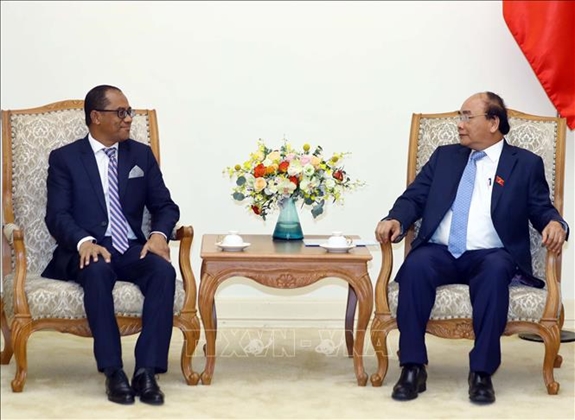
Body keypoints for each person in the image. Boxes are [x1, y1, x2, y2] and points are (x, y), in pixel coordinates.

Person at [375, 92, 569, 404]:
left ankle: (481, 372)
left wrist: (556, 224)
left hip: (490, 254)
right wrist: (395, 218)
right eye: (460, 116)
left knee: (494, 273)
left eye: (467, 116)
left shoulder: (524, 164)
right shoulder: (444, 156)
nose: (460, 124)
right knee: (415, 266)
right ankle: (412, 367)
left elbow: (541, 208)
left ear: (493, 122)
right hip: (439, 252)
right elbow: (414, 197)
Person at [42, 85, 180, 406]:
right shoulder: (65, 159)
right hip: (89, 248)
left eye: (129, 112)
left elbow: (164, 206)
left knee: (162, 272)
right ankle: (113, 371)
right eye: (121, 112)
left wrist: (159, 235)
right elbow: (57, 215)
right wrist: (83, 241)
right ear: (96, 117)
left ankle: (146, 371)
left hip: (130, 247)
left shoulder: (140, 155)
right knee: (97, 270)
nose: (128, 118)